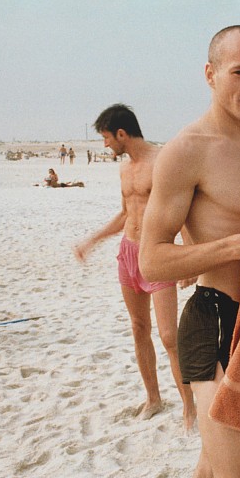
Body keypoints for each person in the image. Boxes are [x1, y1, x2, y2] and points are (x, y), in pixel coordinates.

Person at [139, 25, 240, 478]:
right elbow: (151, 261)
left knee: (215, 471)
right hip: (214, 318)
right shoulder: (186, 150)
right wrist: (238, 246)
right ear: (210, 73)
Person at [74, 104, 195, 426]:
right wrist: (93, 241)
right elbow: (126, 213)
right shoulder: (125, 170)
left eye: (106, 138)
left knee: (170, 336)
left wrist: (189, 261)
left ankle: (189, 406)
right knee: (139, 328)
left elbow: (180, 212)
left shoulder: (162, 163)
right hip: (128, 253)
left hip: (157, 254)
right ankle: (153, 398)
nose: (105, 145)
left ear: (122, 134)